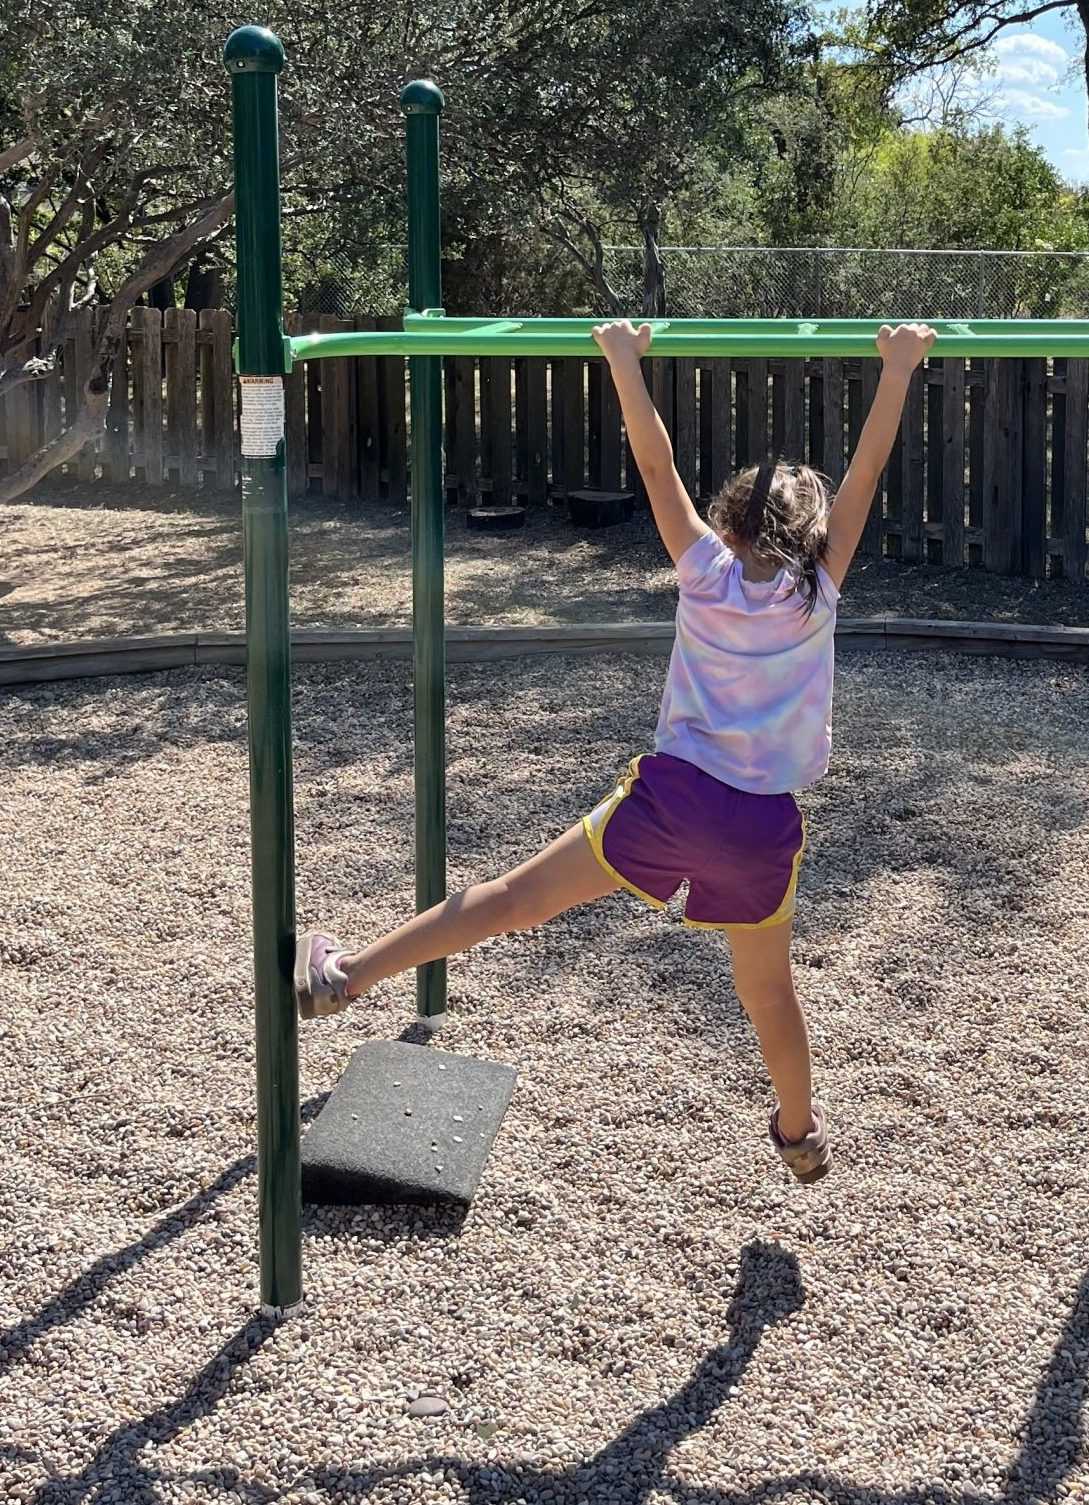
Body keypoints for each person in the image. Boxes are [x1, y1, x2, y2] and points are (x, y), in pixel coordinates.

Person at [295, 318, 938, 1183]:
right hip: (761, 829)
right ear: (810, 535)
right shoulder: (819, 589)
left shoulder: (704, 571)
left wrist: (625, 362)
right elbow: (866, 471)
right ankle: (799, 1132)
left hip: (672, 802)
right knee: (770, 993)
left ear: (727, 526)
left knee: (510, 900)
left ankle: (346, 977)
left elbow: (652, 464)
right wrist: (898, 368)